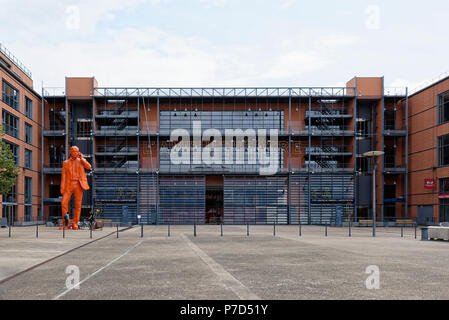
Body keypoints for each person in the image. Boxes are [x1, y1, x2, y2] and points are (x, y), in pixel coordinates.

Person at [60, 146, 91, 230]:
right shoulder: (65, 163)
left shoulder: (81, 161)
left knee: (78, 205)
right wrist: (62, 187)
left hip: (78, 184)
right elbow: (64, 176)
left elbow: (89, 167)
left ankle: (75, 223)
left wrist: (82, 159)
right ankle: (66, 223)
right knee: (63, 203)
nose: (75, 153)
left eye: (77, 151)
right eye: (74, 151)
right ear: (70, 152)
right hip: (68, 185)